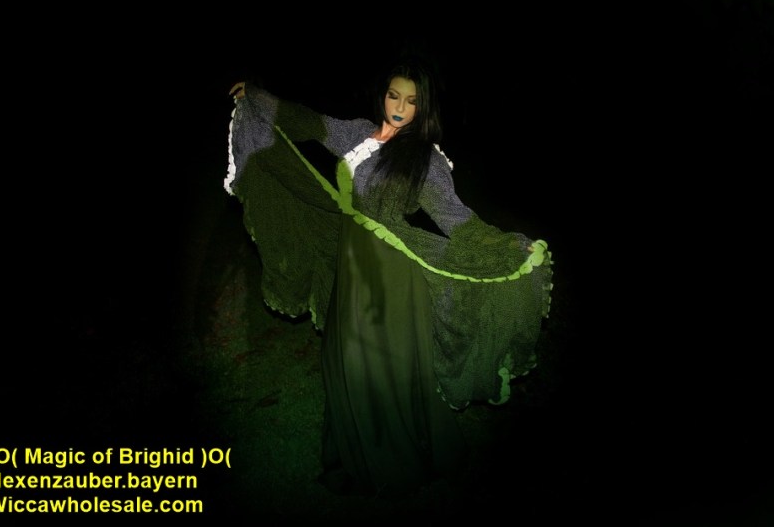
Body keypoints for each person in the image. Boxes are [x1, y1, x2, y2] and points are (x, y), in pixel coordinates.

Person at [226, 57, 553, 499]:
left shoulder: (424, 159)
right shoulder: (357, 133)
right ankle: (354, 455)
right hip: (351, 268)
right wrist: (258, 96)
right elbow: (308, 122)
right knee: (341, 361)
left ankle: (394, 462)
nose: (399, 107)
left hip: (392, 274)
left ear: (423, 108)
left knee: (379, 367)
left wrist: (509, 248)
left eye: (411, 101)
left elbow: (456, 218)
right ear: (383, 96)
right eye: (394, 95)